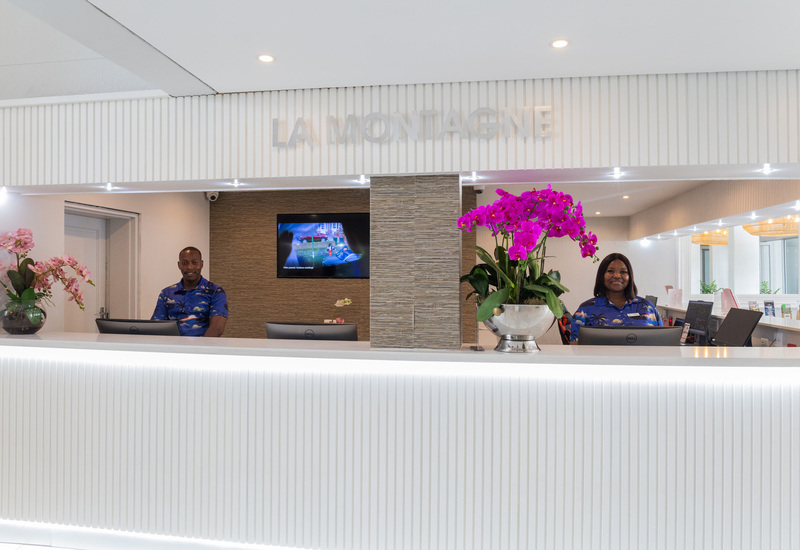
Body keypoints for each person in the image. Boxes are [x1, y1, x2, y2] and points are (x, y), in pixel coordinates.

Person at [570, 252, 661, 343]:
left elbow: (662, 342)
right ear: (602, 275)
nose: (617, 276)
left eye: (623, 272)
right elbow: (575, 347)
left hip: (643, 357)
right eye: (610, 271)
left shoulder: (647, 307)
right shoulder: (585, 309)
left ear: (629, 277)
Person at [151, 246, 228, 336]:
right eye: (184, 263)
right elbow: (156, 327)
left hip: (204, 347)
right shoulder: (166, 293)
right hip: (173, 347)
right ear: (179, 265)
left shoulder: (215, 291)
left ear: (201, 264)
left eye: (194, 263)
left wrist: (198, 349)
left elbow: (217, 329)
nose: (189, 267)